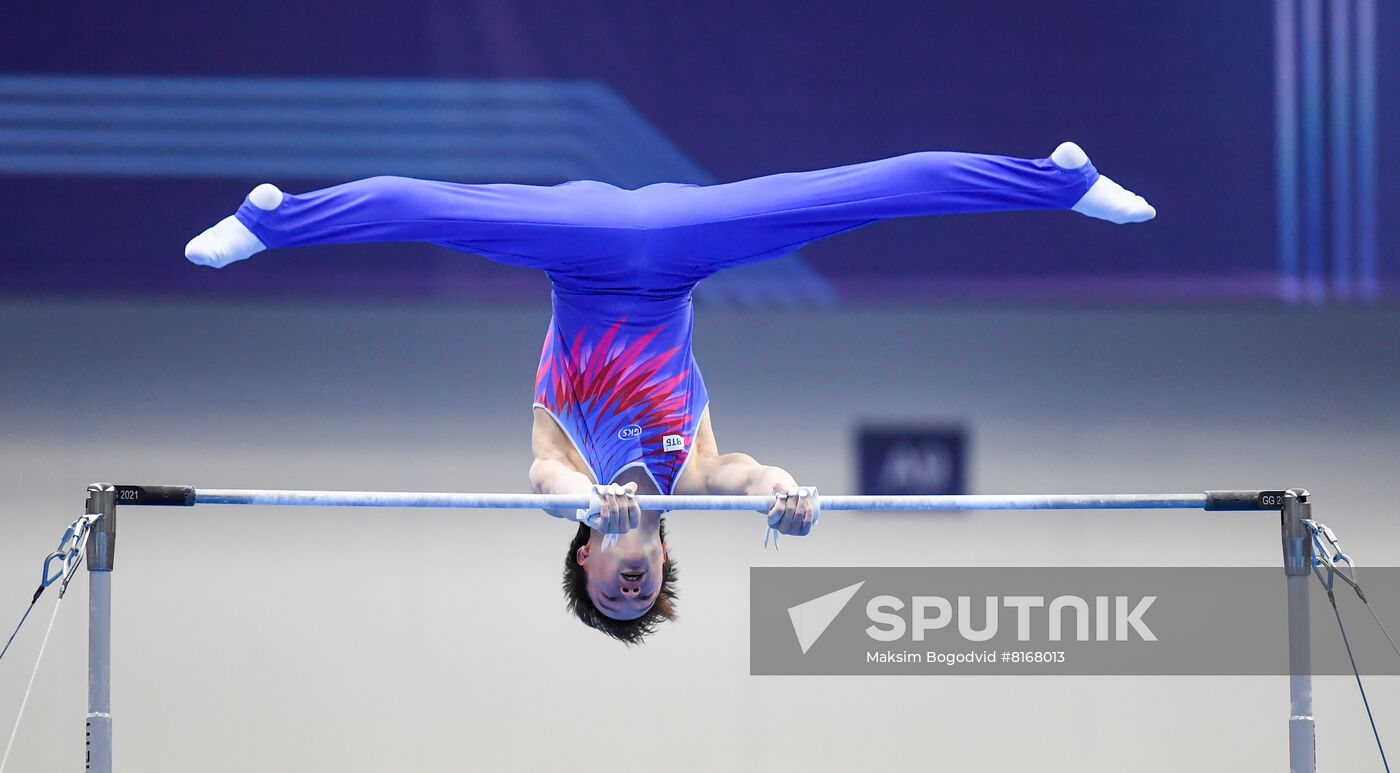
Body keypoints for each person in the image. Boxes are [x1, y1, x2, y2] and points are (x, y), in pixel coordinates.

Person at [184, 142, 1154, 643]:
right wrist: (785, 491)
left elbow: (539, 477)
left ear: (587, 559)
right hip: (684, 250)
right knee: (861, 192)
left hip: (579, 249)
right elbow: (739, 472)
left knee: (428, 208)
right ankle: (1055, 182)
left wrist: (589, 499)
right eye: (638, 591)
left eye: (610, 590)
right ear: (658, 559)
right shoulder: (687, 483)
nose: (629, 584)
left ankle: (274, 219)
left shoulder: (567, 478)